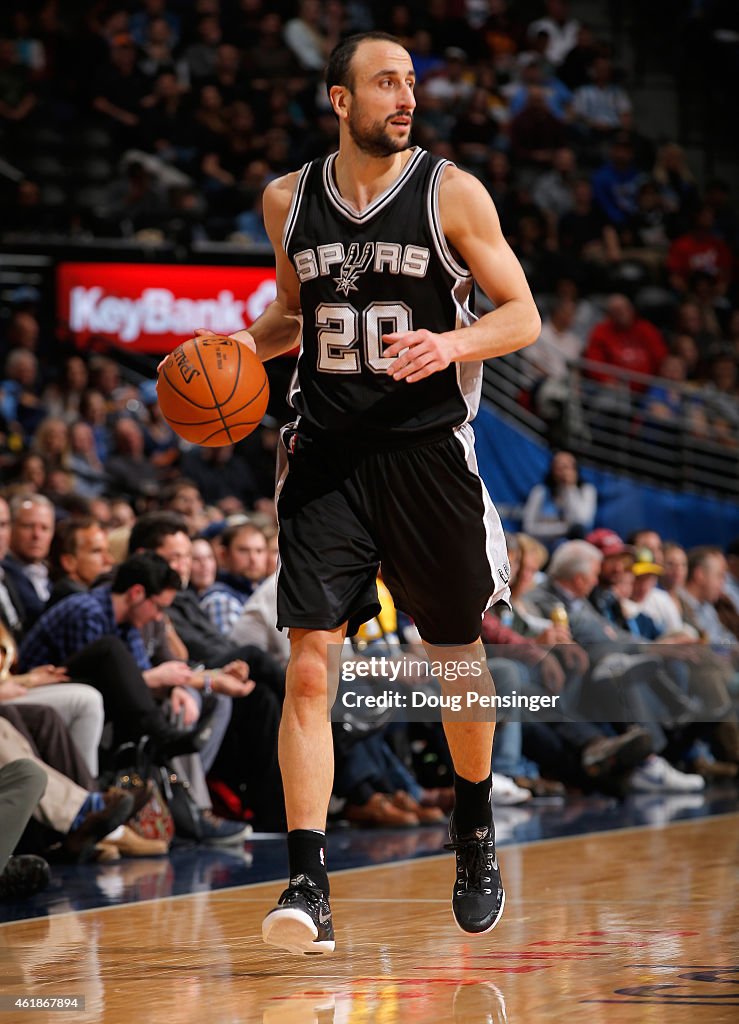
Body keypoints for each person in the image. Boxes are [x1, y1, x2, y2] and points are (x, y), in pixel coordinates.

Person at [165, 31, 540, 953]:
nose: (404, 96)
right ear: (339, 99)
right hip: (325, 456)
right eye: (385, 82)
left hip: (425, 457)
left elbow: (520, 312)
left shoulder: (450, 191)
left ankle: (474, 828)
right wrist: (231, 353)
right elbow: (294, 313)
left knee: (455, 658)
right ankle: (306, 879)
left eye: (411, 81)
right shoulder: (286, 201)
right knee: (305, 665)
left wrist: (451, 345)